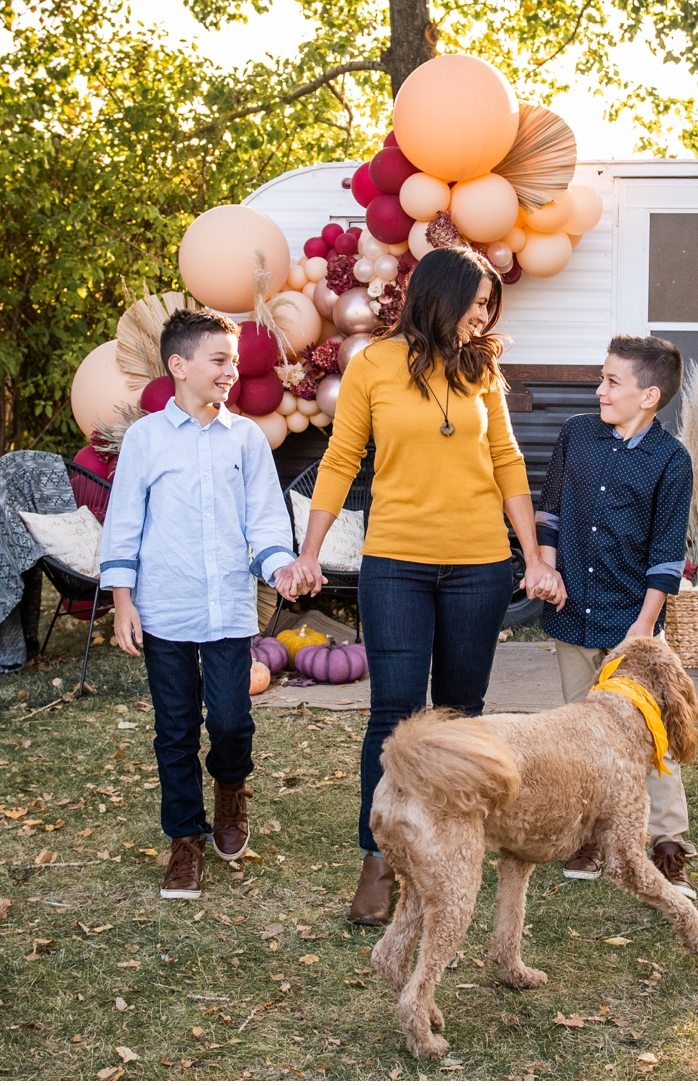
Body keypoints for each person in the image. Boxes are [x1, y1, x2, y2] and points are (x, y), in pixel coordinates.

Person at [280, 247, 560, 924]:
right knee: (396, 713)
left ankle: (447, 847)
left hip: (477, 565)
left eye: (490, 307)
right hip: (396, 562)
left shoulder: (482, 367)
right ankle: (378, 858)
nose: (484, 316)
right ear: (440, 298)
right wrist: (308, 553)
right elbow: (342, 458)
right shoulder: (373, 364)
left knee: (461, 713)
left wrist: (534, 556)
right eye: (476, 304)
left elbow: (507, 460)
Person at [99, 309, 297, 902]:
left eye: (234, 361)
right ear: (178, 366)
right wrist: (122, 601)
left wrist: (279, 566)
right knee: (176, 729)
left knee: (232, 721)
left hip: (229, 608)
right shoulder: (145, 439)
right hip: (165, 608)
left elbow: (264, 521)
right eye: (220, 360)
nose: (232, 371)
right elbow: (124, 523)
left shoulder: (247, 440)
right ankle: (185, 840)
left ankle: (231, 787)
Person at [534, 335, 698, 897]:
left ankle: (668, 844)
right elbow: (550, 514)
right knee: (577, 730)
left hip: (632, 622)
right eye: (601, 379)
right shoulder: (576, 436)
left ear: (649, 395)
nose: (599, 389)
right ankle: (586, 836)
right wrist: (549, 569)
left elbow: (666, 556)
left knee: (649, 734)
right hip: (572, 611)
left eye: (612, 381)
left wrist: (644, 627)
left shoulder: (671, 462)